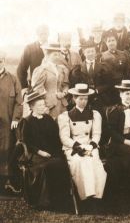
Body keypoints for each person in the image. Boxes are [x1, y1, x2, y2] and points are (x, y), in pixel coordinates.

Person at [20, 90, 70, 208]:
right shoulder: (26, 121)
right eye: (40, 105)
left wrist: (57, 152)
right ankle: (44, 201)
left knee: (60, 163)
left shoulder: (48, 119)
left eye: (44, 104)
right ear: (32, 106)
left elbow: (56, 138)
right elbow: (26, 142)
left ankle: (60, 199)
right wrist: (40, 152)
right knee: (46, 167)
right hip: (34, 154)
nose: (43, 107)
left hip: (51, 153)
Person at [58, 83, 107, 203]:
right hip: (73, 147)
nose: (83, 101)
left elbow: (96, 134)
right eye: (80, 98)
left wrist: (92, 145)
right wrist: (77, 146)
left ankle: (96, 195)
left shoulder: (95, 114)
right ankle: (85, 194)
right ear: (74, 98)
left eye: (86, 99)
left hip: (89, 145)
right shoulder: (66, 116)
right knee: (80, 162)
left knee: (95, 162)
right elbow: (64, 137)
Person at [0, 51, 23, 193]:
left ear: (3, 61)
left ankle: (7, 182)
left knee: (7, 150)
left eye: (0, 60)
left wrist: (16, 118)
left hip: (8, 123)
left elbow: (19, 102)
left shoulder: (13, 79)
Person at [69, 42, 115, 110]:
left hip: (100, 98)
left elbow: (109, 83)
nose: (90, 53)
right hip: (84, 99)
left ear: (96, 53)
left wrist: (97, 90)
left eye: (92, 51)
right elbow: (74, 85)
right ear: (84, 53)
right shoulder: (78, 69)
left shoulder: (104, 67)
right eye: (88, 52)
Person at [31, 42, 69, 119]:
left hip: (62, 104)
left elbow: (66, 84)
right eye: (55, 54)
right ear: (47, 55)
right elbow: (37, 89)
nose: (57, 57)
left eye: (59, 54)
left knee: (63, 127)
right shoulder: (41, 69)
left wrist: (63, 93)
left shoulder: (62, 69)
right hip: (48, 105)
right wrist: (44, 104)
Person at [17, 24, 49, 92]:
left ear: (48, 34)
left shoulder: (53, 48)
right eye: (41, 34)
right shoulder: (29, 48)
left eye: (45, 33)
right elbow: (21, 69)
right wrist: (24, 87)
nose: (43, 36)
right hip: (35, 87)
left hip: (51, 86)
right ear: (37, 34)